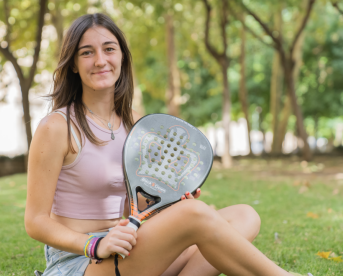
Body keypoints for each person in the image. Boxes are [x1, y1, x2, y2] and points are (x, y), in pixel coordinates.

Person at [24, 13, 306, 276]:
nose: (100, 60)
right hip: (79, 262)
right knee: (194, 215)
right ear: (73, 63)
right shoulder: (56, 127)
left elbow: (133, 207)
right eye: (87, 52)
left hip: (125, 249)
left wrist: (169, 202)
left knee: (245, 216)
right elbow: (35, 221)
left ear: (122, 57)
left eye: (109, 49)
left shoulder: (135, 124)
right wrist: (95, 245)